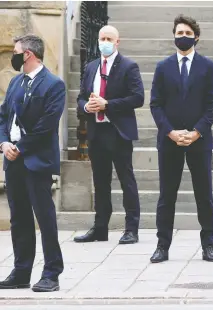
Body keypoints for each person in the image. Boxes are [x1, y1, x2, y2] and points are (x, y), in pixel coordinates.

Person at [149, 15, 213, 263]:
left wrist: (197, 131)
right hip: (169, 141)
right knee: (167, 195)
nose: (183, 37)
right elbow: (156, 104)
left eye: (188, 33)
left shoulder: (208, 66)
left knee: (204, 194)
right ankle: (162, 245)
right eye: (179, 33)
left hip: (199, 141)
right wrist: (171, 132)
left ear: (196, 37)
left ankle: (208, 245)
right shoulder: (163, 66)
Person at [0, 34, 65, 292]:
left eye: (16, 52)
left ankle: (52, 272)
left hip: (36, 161)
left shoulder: (53, 85)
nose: (13, 56)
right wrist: (4, 144)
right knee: (19, 218)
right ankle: (22, 271)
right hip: (13, 160)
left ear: (27, 54)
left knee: (45, 217)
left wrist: (19, 147)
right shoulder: (16, 82)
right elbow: (3, 116)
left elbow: (46, 126)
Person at [74, 25, 144, 244]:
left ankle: (131, 228)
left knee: (126, 180)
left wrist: (108, 105)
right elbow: (81, 99)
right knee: (100, 182)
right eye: (101, 38)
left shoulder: (129, 66)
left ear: (117, 42)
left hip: (118, 131)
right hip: (97, 131)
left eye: (109, 38)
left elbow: (138, 98)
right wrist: (87, 107)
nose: (104, 42)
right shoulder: (91, 67)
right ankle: (100, 228)